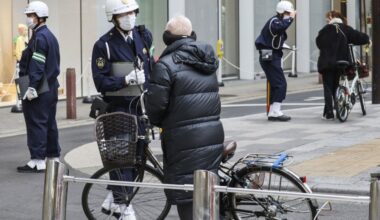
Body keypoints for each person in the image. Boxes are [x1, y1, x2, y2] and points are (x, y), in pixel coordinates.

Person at [145, 15, 225, 220]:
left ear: (167, 37)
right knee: (207, 186)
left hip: (183, 138)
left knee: (186, 193)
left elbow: (156, 106)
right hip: (212, 133)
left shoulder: (165, 64)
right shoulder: (206, 59)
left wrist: (156, 121)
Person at [91, 0, 153, 219]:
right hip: (118, 109)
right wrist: (125, 80)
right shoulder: (104, 45)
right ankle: (123, 205)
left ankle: (112, 199)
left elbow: (150, 69)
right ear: (114, 17)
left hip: (141, 108)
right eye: (124, 14)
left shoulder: (142, 36)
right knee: (121, 158)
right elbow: (100, 81)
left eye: (132, 12)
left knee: (138, 159)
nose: (130, 17)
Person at [16, 1, 61, 173]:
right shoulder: (48, 35)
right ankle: (53, 156)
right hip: (50, 88)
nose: (28, 19)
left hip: (39, 89)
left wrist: (32, 87)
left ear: (39, 17)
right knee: (49, 123)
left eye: (30, 15)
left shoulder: (40, 38)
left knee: (36, 123)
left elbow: (37, 65)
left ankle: (37, 159)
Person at [316, 11, 369, 120]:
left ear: (332, 18)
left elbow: (319, 43)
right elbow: (359, 37)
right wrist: (368, 39)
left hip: (326, 63)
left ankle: (329, 113)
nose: (327, 20)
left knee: (328, 87)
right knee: (336, 84)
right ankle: (337, 108)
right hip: (341, 63)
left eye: (327, 19)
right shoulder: (346, 29)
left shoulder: (324, 30)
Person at [255, 0, 296, 122]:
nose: (290, 15)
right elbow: (279, 28)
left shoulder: (276, 21)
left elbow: (276, 38)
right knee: (280, 83)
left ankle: (273, 110)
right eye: (288, 13)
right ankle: (275, 111)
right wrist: (291, 19)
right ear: (282, 12)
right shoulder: (275, 21)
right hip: (270, 55)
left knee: (275, 83)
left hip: (272, 54)